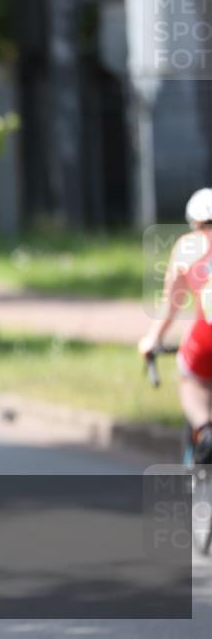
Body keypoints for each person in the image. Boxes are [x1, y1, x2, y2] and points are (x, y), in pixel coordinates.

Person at [138, 186, 212, 466]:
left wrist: (152, 339)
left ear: (194, 222)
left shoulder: (188, 245)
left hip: (207, 336)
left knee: (190, 379)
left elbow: (171, 304)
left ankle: (205, 432)